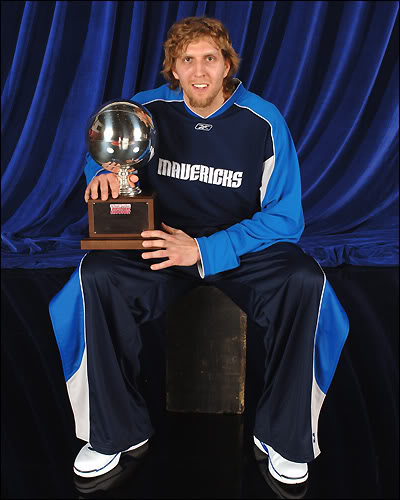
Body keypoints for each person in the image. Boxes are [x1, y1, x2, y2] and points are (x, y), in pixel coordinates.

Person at [49, 16, 349, 497]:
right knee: (96, 275)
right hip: (160, 241)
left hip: (240, 246)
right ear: (173, 68)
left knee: (306, 282)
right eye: (187, 60)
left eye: (210, 58)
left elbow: (285, 218)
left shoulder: (264, 121)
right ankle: (115, 431)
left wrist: (205, 249)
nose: (199, 71)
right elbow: (108, 153)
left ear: (227, 64)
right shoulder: (145, 110)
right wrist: (101, 176)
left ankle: (285, 435)